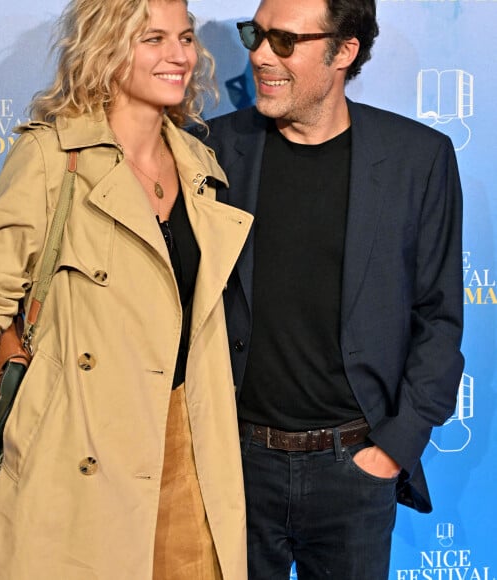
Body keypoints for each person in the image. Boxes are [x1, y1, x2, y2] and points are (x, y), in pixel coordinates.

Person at [0, 0, 253, 578]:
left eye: (185, 38)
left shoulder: (200, 167)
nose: (179, 55)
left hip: (189, 453)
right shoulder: (49, 159)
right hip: (75, 455)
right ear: (108, 47)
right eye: (153, 39)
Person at [193, 0, 464, 577]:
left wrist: (393, 449)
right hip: (233, 467)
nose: (261, 55)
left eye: (285, 42)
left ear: (345, 51)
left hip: (355, 474)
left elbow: (439, 319)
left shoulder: (417, 160)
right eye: (256, 35)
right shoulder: (210, 150)